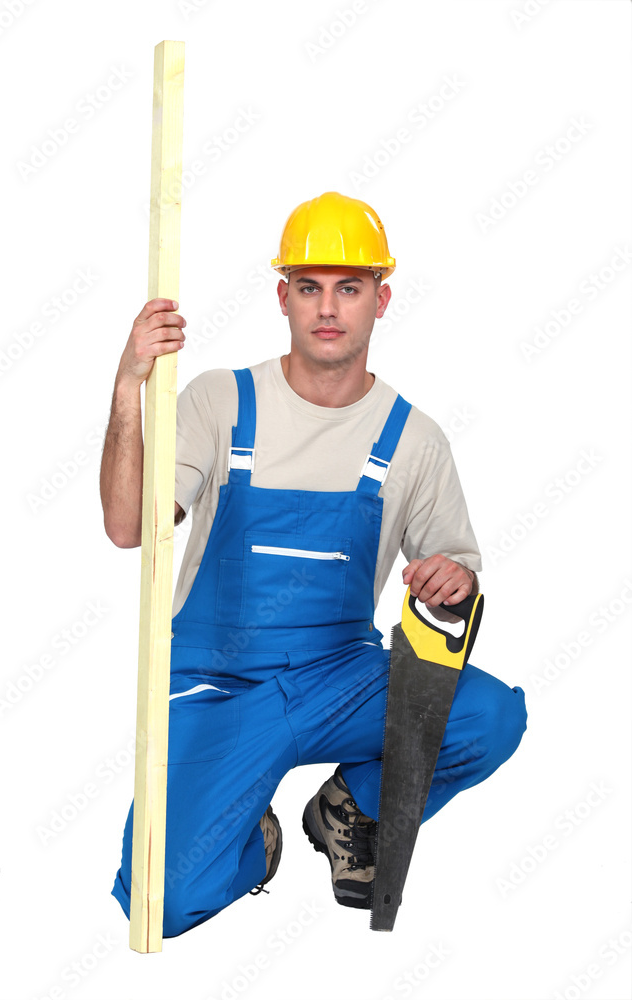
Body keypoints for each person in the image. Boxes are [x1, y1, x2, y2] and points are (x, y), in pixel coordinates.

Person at [100, 191, 527, 937]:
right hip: (218, 685)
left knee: (489, 716)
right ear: (283, 298)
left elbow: (452, 576)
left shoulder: (413, 438)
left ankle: (347, 806)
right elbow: (127, 525)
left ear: (380, 300)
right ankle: (253, 834)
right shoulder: (221, 401)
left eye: (349, 288)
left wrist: (452, 580)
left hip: (339, 678)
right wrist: (128, 387)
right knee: (157, 903)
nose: (327, 308)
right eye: (308, 287)